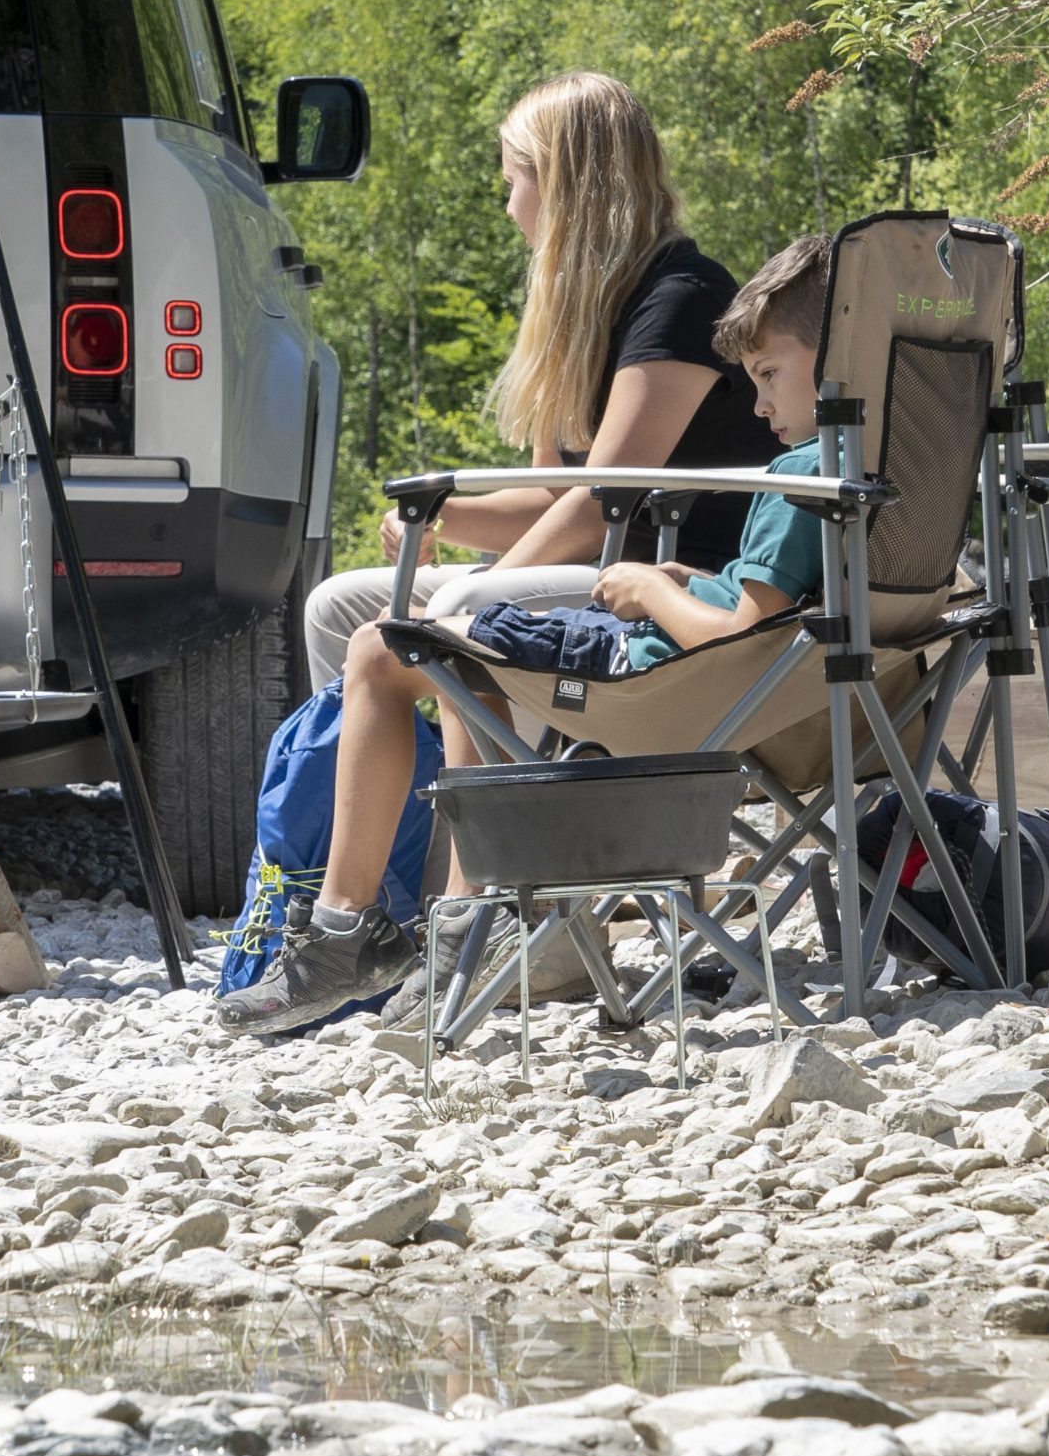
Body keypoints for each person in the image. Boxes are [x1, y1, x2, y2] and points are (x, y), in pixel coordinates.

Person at [219, 234, 830, 1035]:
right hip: (759, 685)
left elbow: (734, 635)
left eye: (769, 376)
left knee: (389, 649)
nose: (757, 406)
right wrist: (686, 587)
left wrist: (648, 584)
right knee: (423, 647)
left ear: (833, 360)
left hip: (657, 684)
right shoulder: (875, 469)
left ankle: (396, 925)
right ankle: (460, 914)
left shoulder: (799, 474)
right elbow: (754, 613)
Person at [302, 71, 780, 692]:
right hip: (597, 566)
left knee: (452, 614)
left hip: (677, 583)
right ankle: (375, 786)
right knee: (334, 606)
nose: (507, 208)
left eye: (511, 183)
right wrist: (438, 521)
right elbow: (553, 495)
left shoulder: (682, 297)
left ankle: (490, 786)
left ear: (562, 186)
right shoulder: (578, 318)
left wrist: (474, 604)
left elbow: (601, 501)